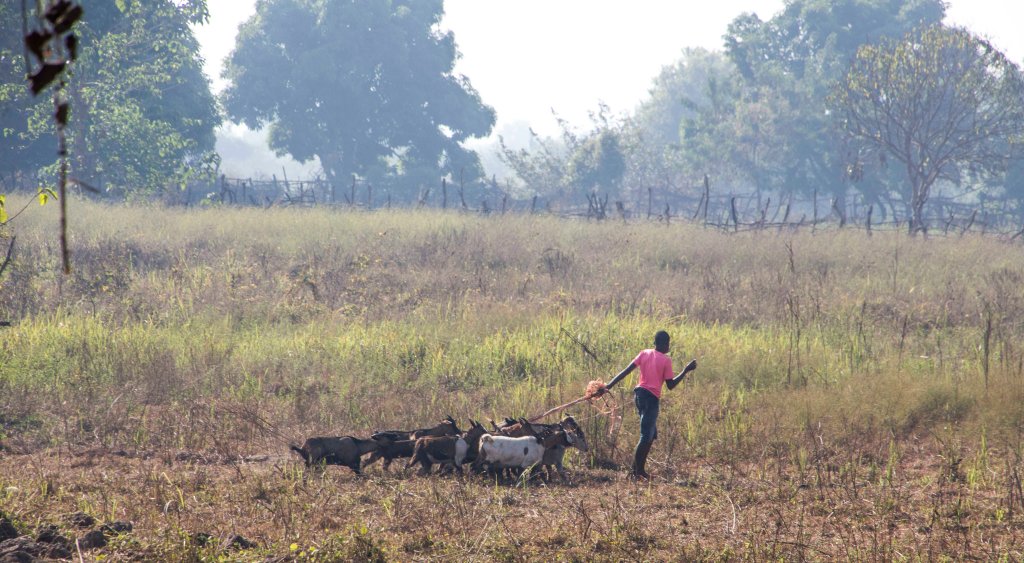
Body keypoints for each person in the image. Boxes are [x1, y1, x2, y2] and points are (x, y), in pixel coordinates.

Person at [595, 330, 695, 479]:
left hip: (639, 396)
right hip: (651, 398)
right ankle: (634, 471)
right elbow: (671, 385)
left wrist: (608, 386)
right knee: (645, 436)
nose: (668, 346)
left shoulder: (644, 353)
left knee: (651, 434)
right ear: (665, 344)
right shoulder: (666, 360)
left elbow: (625, 371)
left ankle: (640, 470)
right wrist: (686, 370)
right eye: (668, 343)